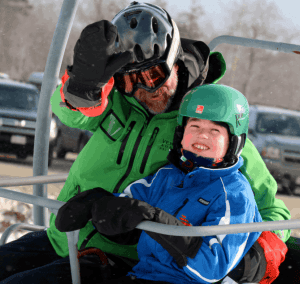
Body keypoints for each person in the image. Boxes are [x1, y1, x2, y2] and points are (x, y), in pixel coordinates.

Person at [0, 1, 290, 284]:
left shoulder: (205, 128)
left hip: (125, 256)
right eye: (129, 80)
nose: (142, 90)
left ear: (174, 61)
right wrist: (81, 87)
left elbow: (272, 211)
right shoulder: (119, 101)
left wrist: (255, 259)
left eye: (153, 76)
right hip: (66, 235)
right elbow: (71, 115)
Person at [56, 84, 265, 284]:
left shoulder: (234, 193)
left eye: (214, 131)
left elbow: (212, 267)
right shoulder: (168, 176)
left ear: (234, 142)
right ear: (181, 134)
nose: (202, 135)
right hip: (143, 274)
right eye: (194, 126)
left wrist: (158, 220)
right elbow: (131, 203)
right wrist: (96, 203)